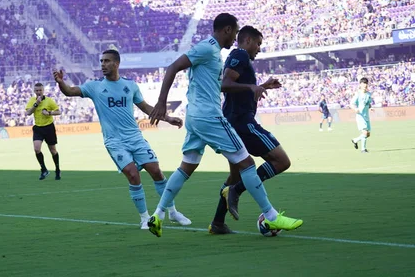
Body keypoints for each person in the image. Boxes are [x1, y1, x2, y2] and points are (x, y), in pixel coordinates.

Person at [147, 14, 303, 237]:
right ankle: (271, 216)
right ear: (227, 30)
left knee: (186, 167)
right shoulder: (209, 48)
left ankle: (158, 214)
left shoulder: (214, 53)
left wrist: (257, 86)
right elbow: (173, 67)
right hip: (209, 116)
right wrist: (161, 102)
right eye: (235, 32)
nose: (235, 39)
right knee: (247, 164)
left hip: (195, 116)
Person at [53, 49, 192, 229]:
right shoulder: (94, 87)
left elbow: (146, 108)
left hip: (135, 137)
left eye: (107, 61)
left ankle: (173, 212)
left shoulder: (130, 85)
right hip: (115, 141)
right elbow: (70, 91)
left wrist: (167, 118)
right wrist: (60, 82)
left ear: (116, 64)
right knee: (133, 175)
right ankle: (144, 219)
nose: (103, 64)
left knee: (156, 171)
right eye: (101, 61)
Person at [209, 25, 291, 234]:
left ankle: (218, 223)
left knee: (235, 174)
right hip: (242, 123)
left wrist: (262, 85)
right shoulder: (240, 55)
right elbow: (225, 84)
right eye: (258, 44)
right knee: (281, 160)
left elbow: (236, 88)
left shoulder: (240, 58)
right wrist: (252, 87)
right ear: (247, 41)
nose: (259, 49)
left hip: (232, 123)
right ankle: (236, 192)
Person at [25, 83, 61, 180]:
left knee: (53, 150)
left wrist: (49, 113)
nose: (38, 92)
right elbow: (28, 113)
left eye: (40, 90)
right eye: (36, 90)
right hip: (38, 128)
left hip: (49, 127)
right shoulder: (32, 101)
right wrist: (36, 104)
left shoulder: (49, 101)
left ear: (43, 90)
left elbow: (58, 111)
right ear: (34, 91)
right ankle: (44, 169)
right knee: (37, 149)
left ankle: (57, 169)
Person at [350, 77, 373, 153]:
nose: (365, 85)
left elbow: (368, 104)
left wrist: (370, 108)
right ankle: (363, 149)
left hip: (366, 116)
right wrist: (356, 109)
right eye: (363, 83)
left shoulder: (368, 94)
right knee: (365, 133)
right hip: (360, 116)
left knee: (368, 134)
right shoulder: (358, 94)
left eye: (366, 83)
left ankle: (355, 140)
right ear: (360, 84)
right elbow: (351, 104)